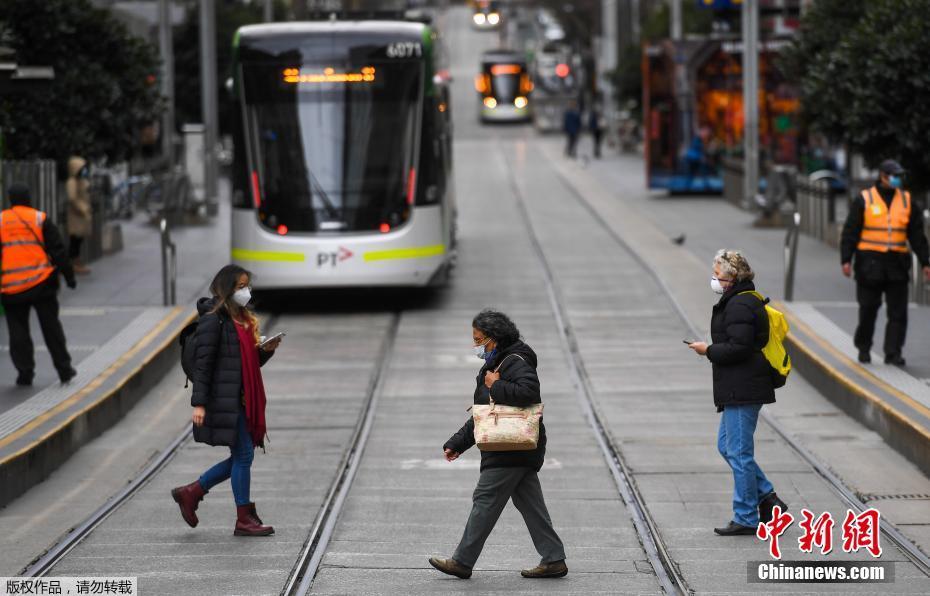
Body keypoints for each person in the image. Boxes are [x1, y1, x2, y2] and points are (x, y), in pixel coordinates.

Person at [429, 309, 567, 579]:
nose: (476, 346)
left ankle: (462, 561)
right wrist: (457, 443)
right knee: (531, 505)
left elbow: (529, 393)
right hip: (517, 447)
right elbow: (486, 413)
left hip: (510, 448)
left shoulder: (514, 360)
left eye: (479, 340)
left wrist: (495, 384)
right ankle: (553, 559)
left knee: (485, 500)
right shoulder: (498, 361)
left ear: (495, 338)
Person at [170, 264, 282, 536]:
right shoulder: (213, 320)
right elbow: (204, 365)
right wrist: (199, 403)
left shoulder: (242, 319)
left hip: (241, 398)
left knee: (240, 456)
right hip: (224, 398)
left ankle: (192, 492)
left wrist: (265, 351)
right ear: (227, 289)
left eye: (247, 285)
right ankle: (242, 517)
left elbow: (244, 364)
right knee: (243, 456)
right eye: (240, 286)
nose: (246, 291)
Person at [688, 250, 787, 535]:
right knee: (727, 447)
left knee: (739, 452)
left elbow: (740, 348)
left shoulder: (740, 304)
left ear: (731, 276)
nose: (714, 278)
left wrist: (708, 350)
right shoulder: (737, 300)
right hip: (738, 386)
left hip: (744, 387)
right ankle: (768, 497)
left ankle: (745, 516)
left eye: (717, 273)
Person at [840, 159, 930, 365]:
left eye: (900, 175)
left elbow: (917, 235)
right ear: (883, 176)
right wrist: (846, 259)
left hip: (897, 264)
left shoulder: (907, 201)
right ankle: (864, 347)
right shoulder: (865, 199)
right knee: (868, 309)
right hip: (869, 264)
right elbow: (850, 231)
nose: (898, 179)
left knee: (898, 312)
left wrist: (926, 262)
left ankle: (893, 352)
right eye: (894, 175)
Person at [1, 183, 77, 386]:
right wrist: (69, 277)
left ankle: (25, 373)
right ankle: (64, 369)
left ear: (10, 199)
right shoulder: (39, 218)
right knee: (51, 327)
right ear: (28, 198)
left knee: (18, 332)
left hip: (12, 287)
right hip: (41, 283)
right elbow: (58, 250)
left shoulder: (1, 221)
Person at [65, 156, 92, 275]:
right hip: (76, 215)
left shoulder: (81, 180)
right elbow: (72, 198)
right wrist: (83, 208)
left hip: (82, 214)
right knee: (75, 240)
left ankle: (77, 261)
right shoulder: (72, 182)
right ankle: (73, 263)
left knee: (79, 240)